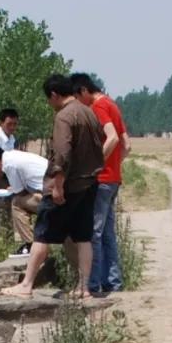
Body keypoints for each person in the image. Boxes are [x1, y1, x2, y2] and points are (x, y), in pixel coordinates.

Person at [2, 74, 105, 299]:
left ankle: (27, 284)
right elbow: (102, 140)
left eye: (49, 100)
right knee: (83, 237)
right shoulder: (89, 112)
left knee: (42, 234)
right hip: (90, 184)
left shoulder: (64, 117)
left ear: (55, 95)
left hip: (67, 186)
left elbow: (62, 154)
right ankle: (85, 287)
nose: (50, 105)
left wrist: (57, 186)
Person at [70, 73, 131, 296]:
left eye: (78, 98)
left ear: (84, 91)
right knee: (107, 234)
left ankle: (92, 284)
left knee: (92, 233)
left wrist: (96, 165)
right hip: (113, 179)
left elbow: (113, 138)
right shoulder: (112, 104)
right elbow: (127, 145)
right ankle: (113, 282)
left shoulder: (98, 107)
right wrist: (115, 165)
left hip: (102, 180)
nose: (78, 104)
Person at [0, 146, 48, 255]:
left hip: (52, 197)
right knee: (20, 200)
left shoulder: (9, 165)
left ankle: (30, 245)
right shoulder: (14, 157)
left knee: (17, 203)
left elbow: (21, 194)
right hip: (55, 192)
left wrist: (14, 191)